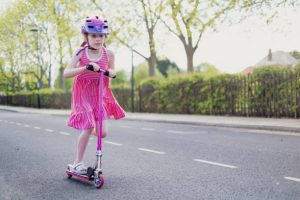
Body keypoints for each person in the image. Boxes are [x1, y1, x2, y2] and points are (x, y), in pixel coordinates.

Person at [63, 16, 125, 174]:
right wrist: (86, 68)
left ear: (105, 36)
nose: (98, 39)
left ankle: (87, 129)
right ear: (86, 37)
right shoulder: (80, 52)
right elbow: (67, 73)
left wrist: (111, 72)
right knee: (89, 125)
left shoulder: (108, 53)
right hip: (82, 92)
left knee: (102, 133)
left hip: (100, 92)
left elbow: (112, 70)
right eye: (94, 36)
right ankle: (78, 162)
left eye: (101, 36)